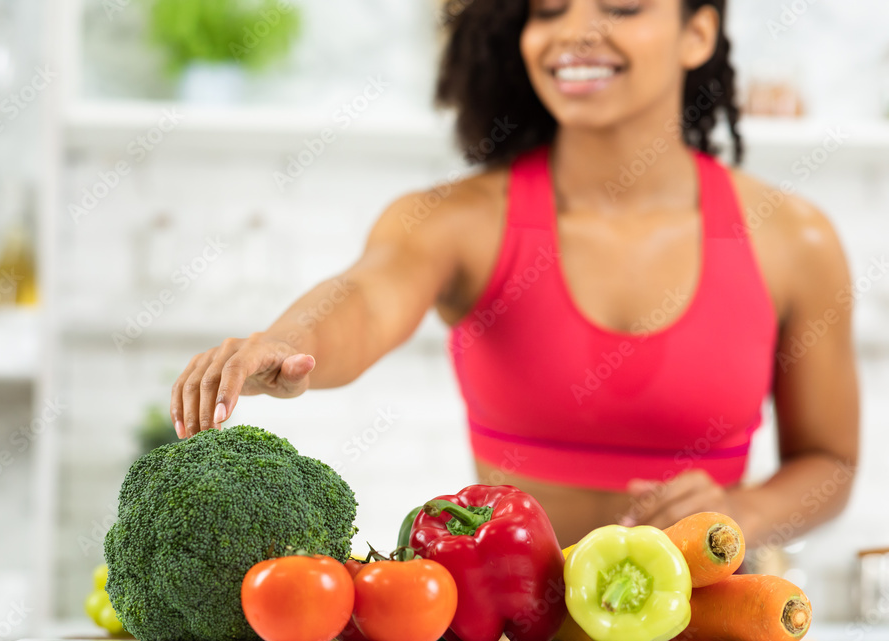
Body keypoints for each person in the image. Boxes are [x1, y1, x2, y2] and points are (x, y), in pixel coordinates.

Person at [170, 0, 858, 548]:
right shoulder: (457, 220)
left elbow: (829, 461)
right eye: (549, 8)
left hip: (708, 630)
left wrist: (745, 510)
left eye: (622, 7)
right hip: (510, 632)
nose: (576, 32)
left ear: (697, 33)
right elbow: (366, 295)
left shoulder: (794, 239)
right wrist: (285, 341)